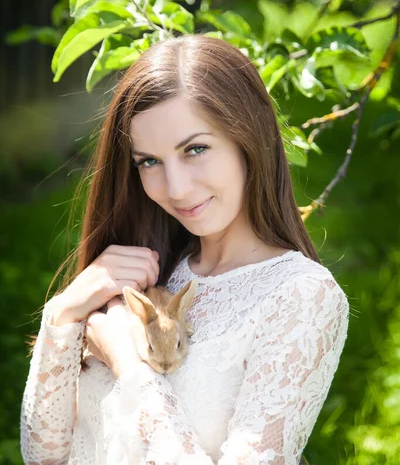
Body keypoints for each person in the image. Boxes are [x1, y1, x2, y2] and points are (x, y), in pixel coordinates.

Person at [20, 34, 349, 465]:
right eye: (149, 162)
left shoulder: (301, 298)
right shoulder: (149, 269)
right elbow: (45, 456)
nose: (175, 189)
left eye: (195, 149)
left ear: (248, 139)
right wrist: (64, 315)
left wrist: (131, 367)